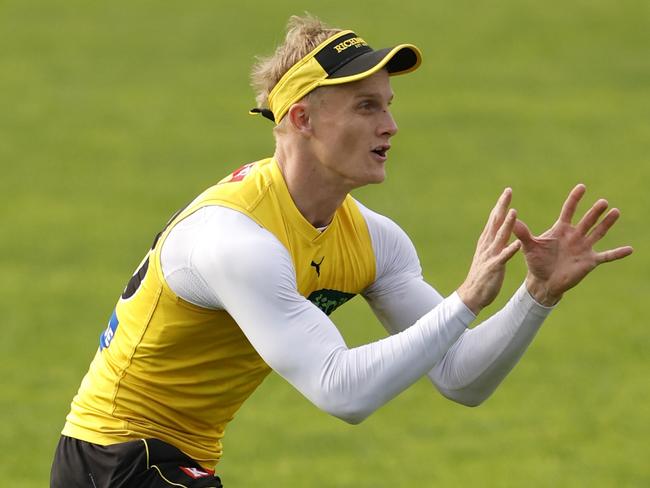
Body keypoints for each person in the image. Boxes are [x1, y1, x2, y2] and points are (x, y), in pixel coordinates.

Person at [50, 14, 633, 488]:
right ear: (301, 118)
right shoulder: (234, 239)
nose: (392, 126)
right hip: (116, 459)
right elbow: (341, 390)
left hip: (172, 462)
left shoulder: (372, 238)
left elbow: (460, 377)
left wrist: (536, 297)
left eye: (388, 103)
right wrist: (463, 301)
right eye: (366, 106)